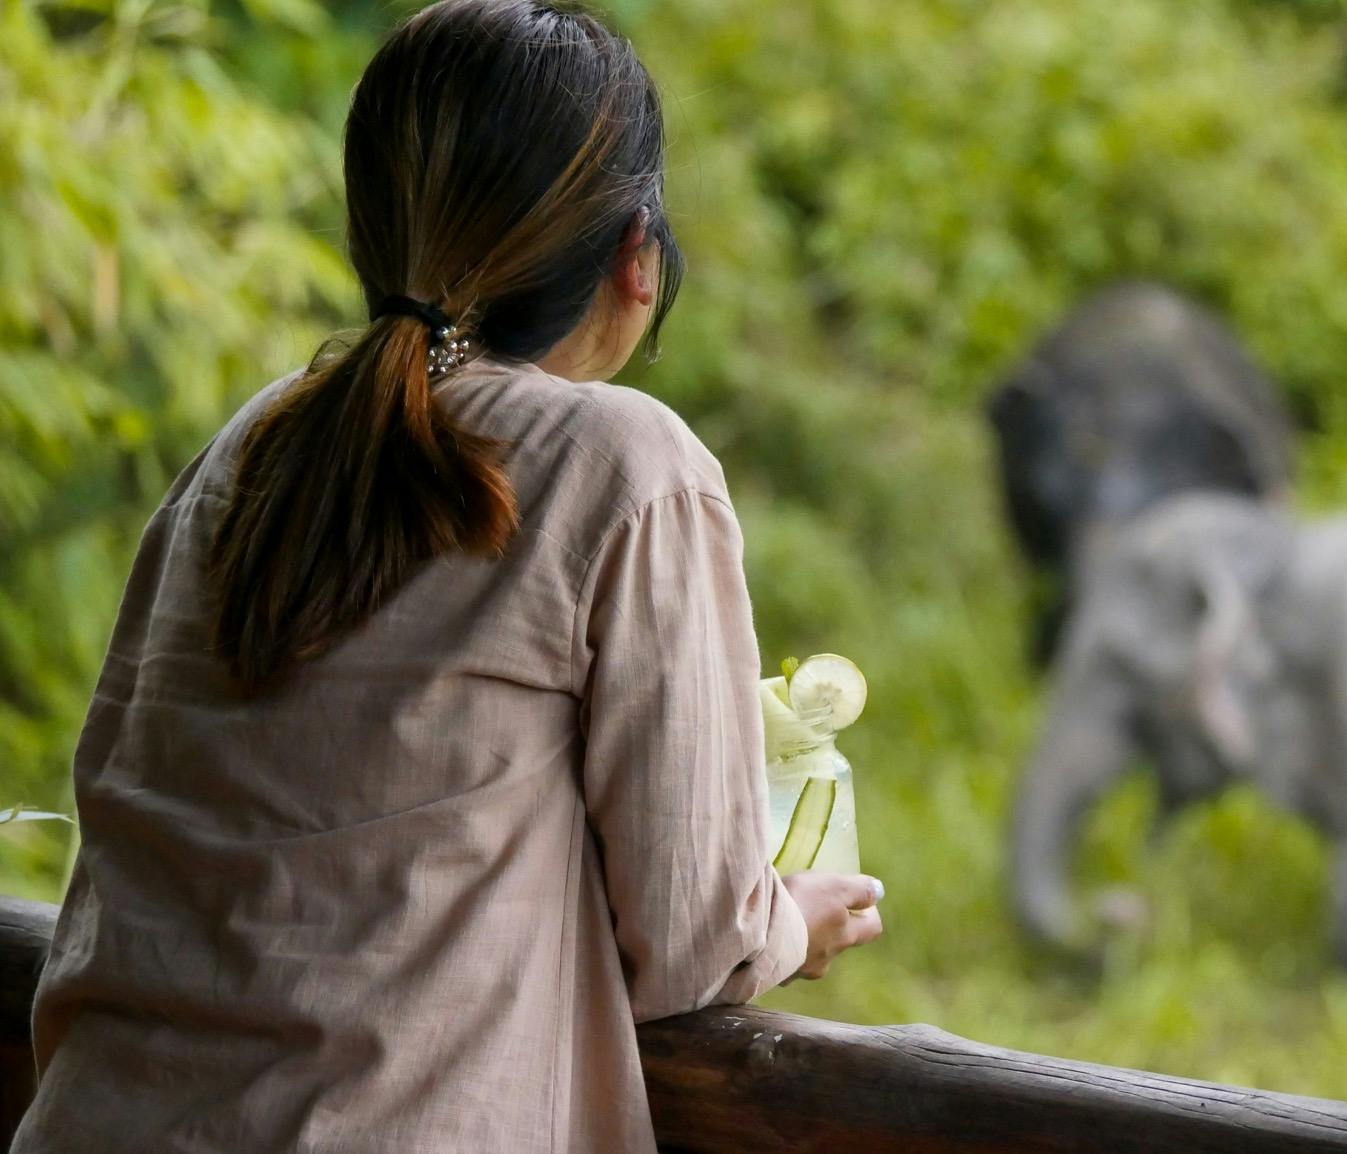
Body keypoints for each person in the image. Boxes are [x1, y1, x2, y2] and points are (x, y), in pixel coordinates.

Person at [12, 2, 882, 1150]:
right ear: (639, 255)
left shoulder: (245, 448)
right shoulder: (626, 465)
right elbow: (691, 941)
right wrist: (786, 922)